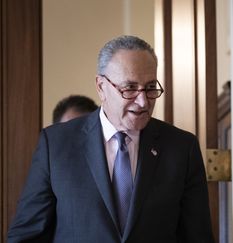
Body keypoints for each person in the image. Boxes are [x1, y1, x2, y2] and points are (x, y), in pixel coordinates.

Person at [8, 35, 215, 243]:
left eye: (150, 87)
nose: (143, 101)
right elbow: (27, 235)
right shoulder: (56, 145)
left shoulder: (181, 148)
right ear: (101, 87)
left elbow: (198, 236)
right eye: (130, 88)